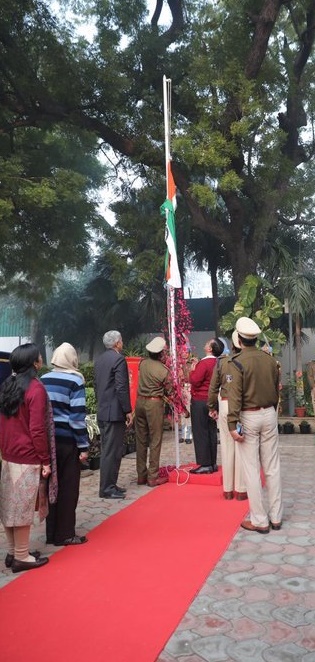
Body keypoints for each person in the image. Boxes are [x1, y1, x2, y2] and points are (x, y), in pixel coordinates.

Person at [227, 317, 282, 534]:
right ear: (255, 339)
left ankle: (260, 520)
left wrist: (232, 423)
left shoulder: (237, 362)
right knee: (272, 467)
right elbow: (277, 390)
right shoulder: (270, 360)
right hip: (269, 413)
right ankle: (276, 517)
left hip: (248, 416)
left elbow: (235, 396)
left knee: (251, 469)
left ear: (239, 340)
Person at [0, 343, 51, 573]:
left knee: (10, 505)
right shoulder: (35, 388)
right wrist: (45, 459)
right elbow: (38, 429)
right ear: (34, 363)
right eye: (39, 356)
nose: (41, 359)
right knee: (21, 508)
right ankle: (22, 556)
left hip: (8, 455)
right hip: (28, 456)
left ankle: (13, 552)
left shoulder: (7, 385)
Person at [41, 342, 89, 545]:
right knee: (69, 488)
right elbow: (76, 417)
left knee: (52, 485)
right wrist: (83, 446)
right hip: (68, 441)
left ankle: (51, 533)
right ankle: (66, 533)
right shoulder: (75, 380)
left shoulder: (43, 379)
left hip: (48, 441)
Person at [208, 330, 247, 500]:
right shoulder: (247, 360)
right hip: (242, 407)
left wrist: (212, 406)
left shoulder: (222, 362)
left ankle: (228, 489)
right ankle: (241, 489)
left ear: (232, 344)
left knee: (226, 445)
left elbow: (213, 387)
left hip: (224, 404)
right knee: (242, 447)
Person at [94, 330, 132, 499]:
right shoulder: (118, 359)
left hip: (103, 409)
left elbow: (97, 386)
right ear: (117, 343)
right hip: (114, 411)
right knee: (112, 451)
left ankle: (110, 484)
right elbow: (121, 387)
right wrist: (127, 410)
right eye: (121, 341)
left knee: (108, 449)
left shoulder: (100, 360)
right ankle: (107, 488)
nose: (122, 343)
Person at [135, 337, 171, 487]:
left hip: (139, 403)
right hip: (154, 404)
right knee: (155, 440)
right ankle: (153, 476)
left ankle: (141, 475)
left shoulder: (142, 363)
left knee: (141, 440)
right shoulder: (163, 370)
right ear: (161, 353)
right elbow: (169, 390)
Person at [189, 337, 225, 474]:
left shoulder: (204, 363)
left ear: (210, 349)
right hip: (213, 400)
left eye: (208, 343)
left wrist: (192, 370)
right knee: (211, 431)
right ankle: (212, 462)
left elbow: (195, 380)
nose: (205, 343)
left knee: (200, 432)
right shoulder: (218, 363)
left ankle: (204, 463)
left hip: (200, 399)